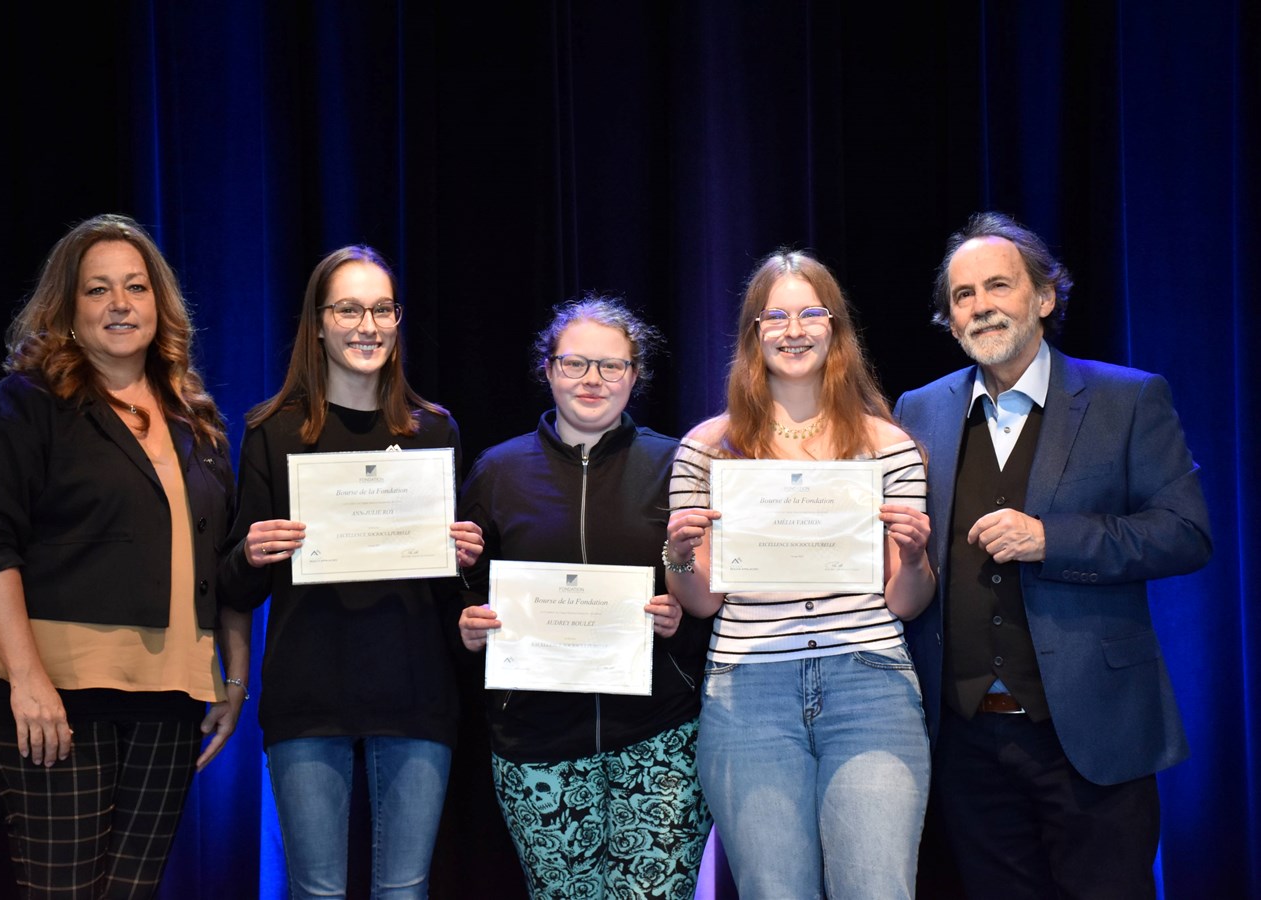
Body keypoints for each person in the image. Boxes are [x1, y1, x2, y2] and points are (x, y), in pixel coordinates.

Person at [893, 212, 1212, 899]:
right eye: (962, 296)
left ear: (1042, 298)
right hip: (965, 739)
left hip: (1093, 730)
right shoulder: (918, 411)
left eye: (997, 286)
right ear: (949, 321)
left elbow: (1185, 533)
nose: (980, 306)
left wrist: (1052, 538)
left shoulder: (1126, 398)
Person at [0, 214, 250, 899]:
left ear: (159, 305)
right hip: (53, 688)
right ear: (68, 310)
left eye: (136, 288)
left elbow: (221, 560)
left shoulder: (193, 420)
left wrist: (232, 680)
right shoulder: (26, 405)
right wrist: (26, 679)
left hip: (171, 690)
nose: (120, 304)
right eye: (98, 290)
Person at [664, 250, 935, 898]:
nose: (793, 330)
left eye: (809, 313)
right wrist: (676, 554)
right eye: (774, 316)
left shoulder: (886, 444)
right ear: (752, 333)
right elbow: (699, 602)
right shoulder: (706, 448)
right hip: (748, 690)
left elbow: (906, 601)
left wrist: (916, 556)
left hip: (869, 684)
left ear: (834, 327)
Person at [219, 245, 483, 900]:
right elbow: (233, 585)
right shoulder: (271, 433)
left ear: (397, 321)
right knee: (315, 891)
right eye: (348, 309)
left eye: (381, 309)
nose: (367, 325)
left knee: (404, 890)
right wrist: (250, 552)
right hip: (308, 691)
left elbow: (455, 593)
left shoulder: (435, 432)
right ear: (318, 323)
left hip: (414, 689)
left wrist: (467, 558)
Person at [456, 297, 712, 899]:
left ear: (636, 375)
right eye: (574, 364)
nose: (592, 380)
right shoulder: (497, 472)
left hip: (661, 738)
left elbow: (715, 593)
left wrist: (679, 619)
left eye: (611, 366)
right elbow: (463, 588)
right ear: (547, 370)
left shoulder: (678, 464)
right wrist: (467, 625)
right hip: (536, 744)